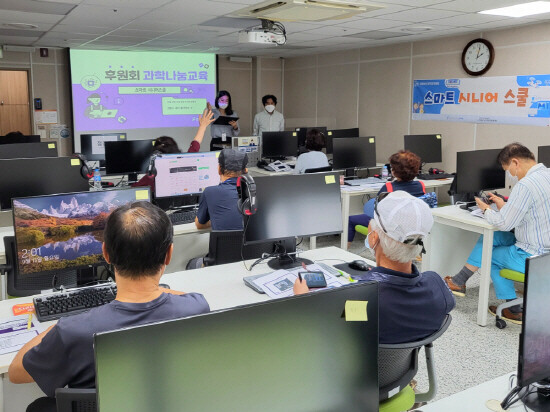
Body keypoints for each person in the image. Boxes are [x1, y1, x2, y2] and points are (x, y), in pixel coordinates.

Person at [9, 202, 210, 411]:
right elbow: (183, 297)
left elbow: (15, 372)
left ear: (106, 253)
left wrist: (62, 324)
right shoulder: (197, 309)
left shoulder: (71, 331)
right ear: (169, 254)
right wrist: (156, 293)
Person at [295, 191, 455, 344]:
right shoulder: (436, 285)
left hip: (364, 370)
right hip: (404, 369)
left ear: (373, 238)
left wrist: (303, 300)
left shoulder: (363, 299)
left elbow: (327, 325)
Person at [444, 143, 550, 324]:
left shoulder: (525, 186)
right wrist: (506, 207)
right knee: (493, 237)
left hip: (535, 256)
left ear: (515, 162)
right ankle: (459, 281)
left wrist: (486, 210)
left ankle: (513, 308)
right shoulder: (547, 174)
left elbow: (503, 223)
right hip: (543, 246)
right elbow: (534, 212)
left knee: (489, 254)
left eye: (509, 170)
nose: (511, 175)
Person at [347, 150, 426, 246]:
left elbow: (377, 209)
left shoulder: (389, 187)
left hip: (390, 228)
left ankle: (345, 251)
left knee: (350, 219)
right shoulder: (421, 185)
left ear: (394, 171)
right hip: (412, 227)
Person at [132, 108, 215, 189]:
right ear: (175, 149)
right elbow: (195, 145)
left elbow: (133, 189)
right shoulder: (186, 164)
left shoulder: (151, 177)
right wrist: (203, 126)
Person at [194, 148, 247, 231]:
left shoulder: (209, 192)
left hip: (225, 243)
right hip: (250, 243)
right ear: (245, 170)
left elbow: (199, 225)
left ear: (219, 169)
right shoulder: (255, 192)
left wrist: (215, 220)